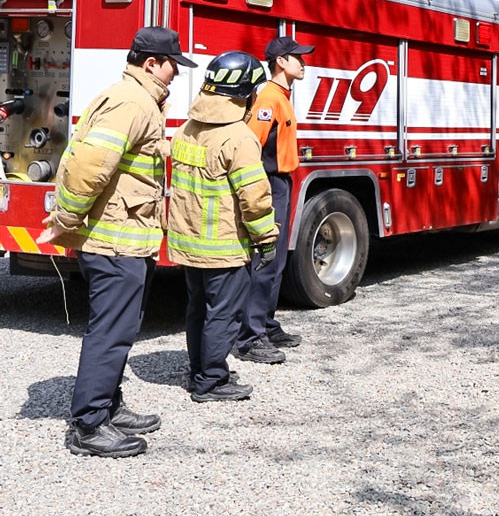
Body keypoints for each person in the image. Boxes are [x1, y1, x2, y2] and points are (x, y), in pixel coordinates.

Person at [41, 27, 196, 457]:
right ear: (151, 63)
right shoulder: (132, 102)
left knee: (122, 329)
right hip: (115, 245)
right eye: (171, 66)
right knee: (110, 332)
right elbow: (90, 165)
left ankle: (109, 406)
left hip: (128, 242)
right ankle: (89, 425)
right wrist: (64, 220)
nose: (175, 75)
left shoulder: (135, 99)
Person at [169, 52, 278, 402]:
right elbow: (255, 197)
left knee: (197, 309)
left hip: (189, 243)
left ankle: (198, 370)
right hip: (224, 247)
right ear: (244, 93)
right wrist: (266, 239)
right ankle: (212, 381)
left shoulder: (187, 129)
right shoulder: (239, 138)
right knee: (224, 314)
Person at [234, 36, 314, 365]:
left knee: (277, 259)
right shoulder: (269, 97)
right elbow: (252, 143)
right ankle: (250, 336)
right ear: (281, 61)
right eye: (297, 57)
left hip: (280, 182)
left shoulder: (281, 95)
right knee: (266, 259)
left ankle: (266, 322)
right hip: (269, 183)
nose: (303, 63)